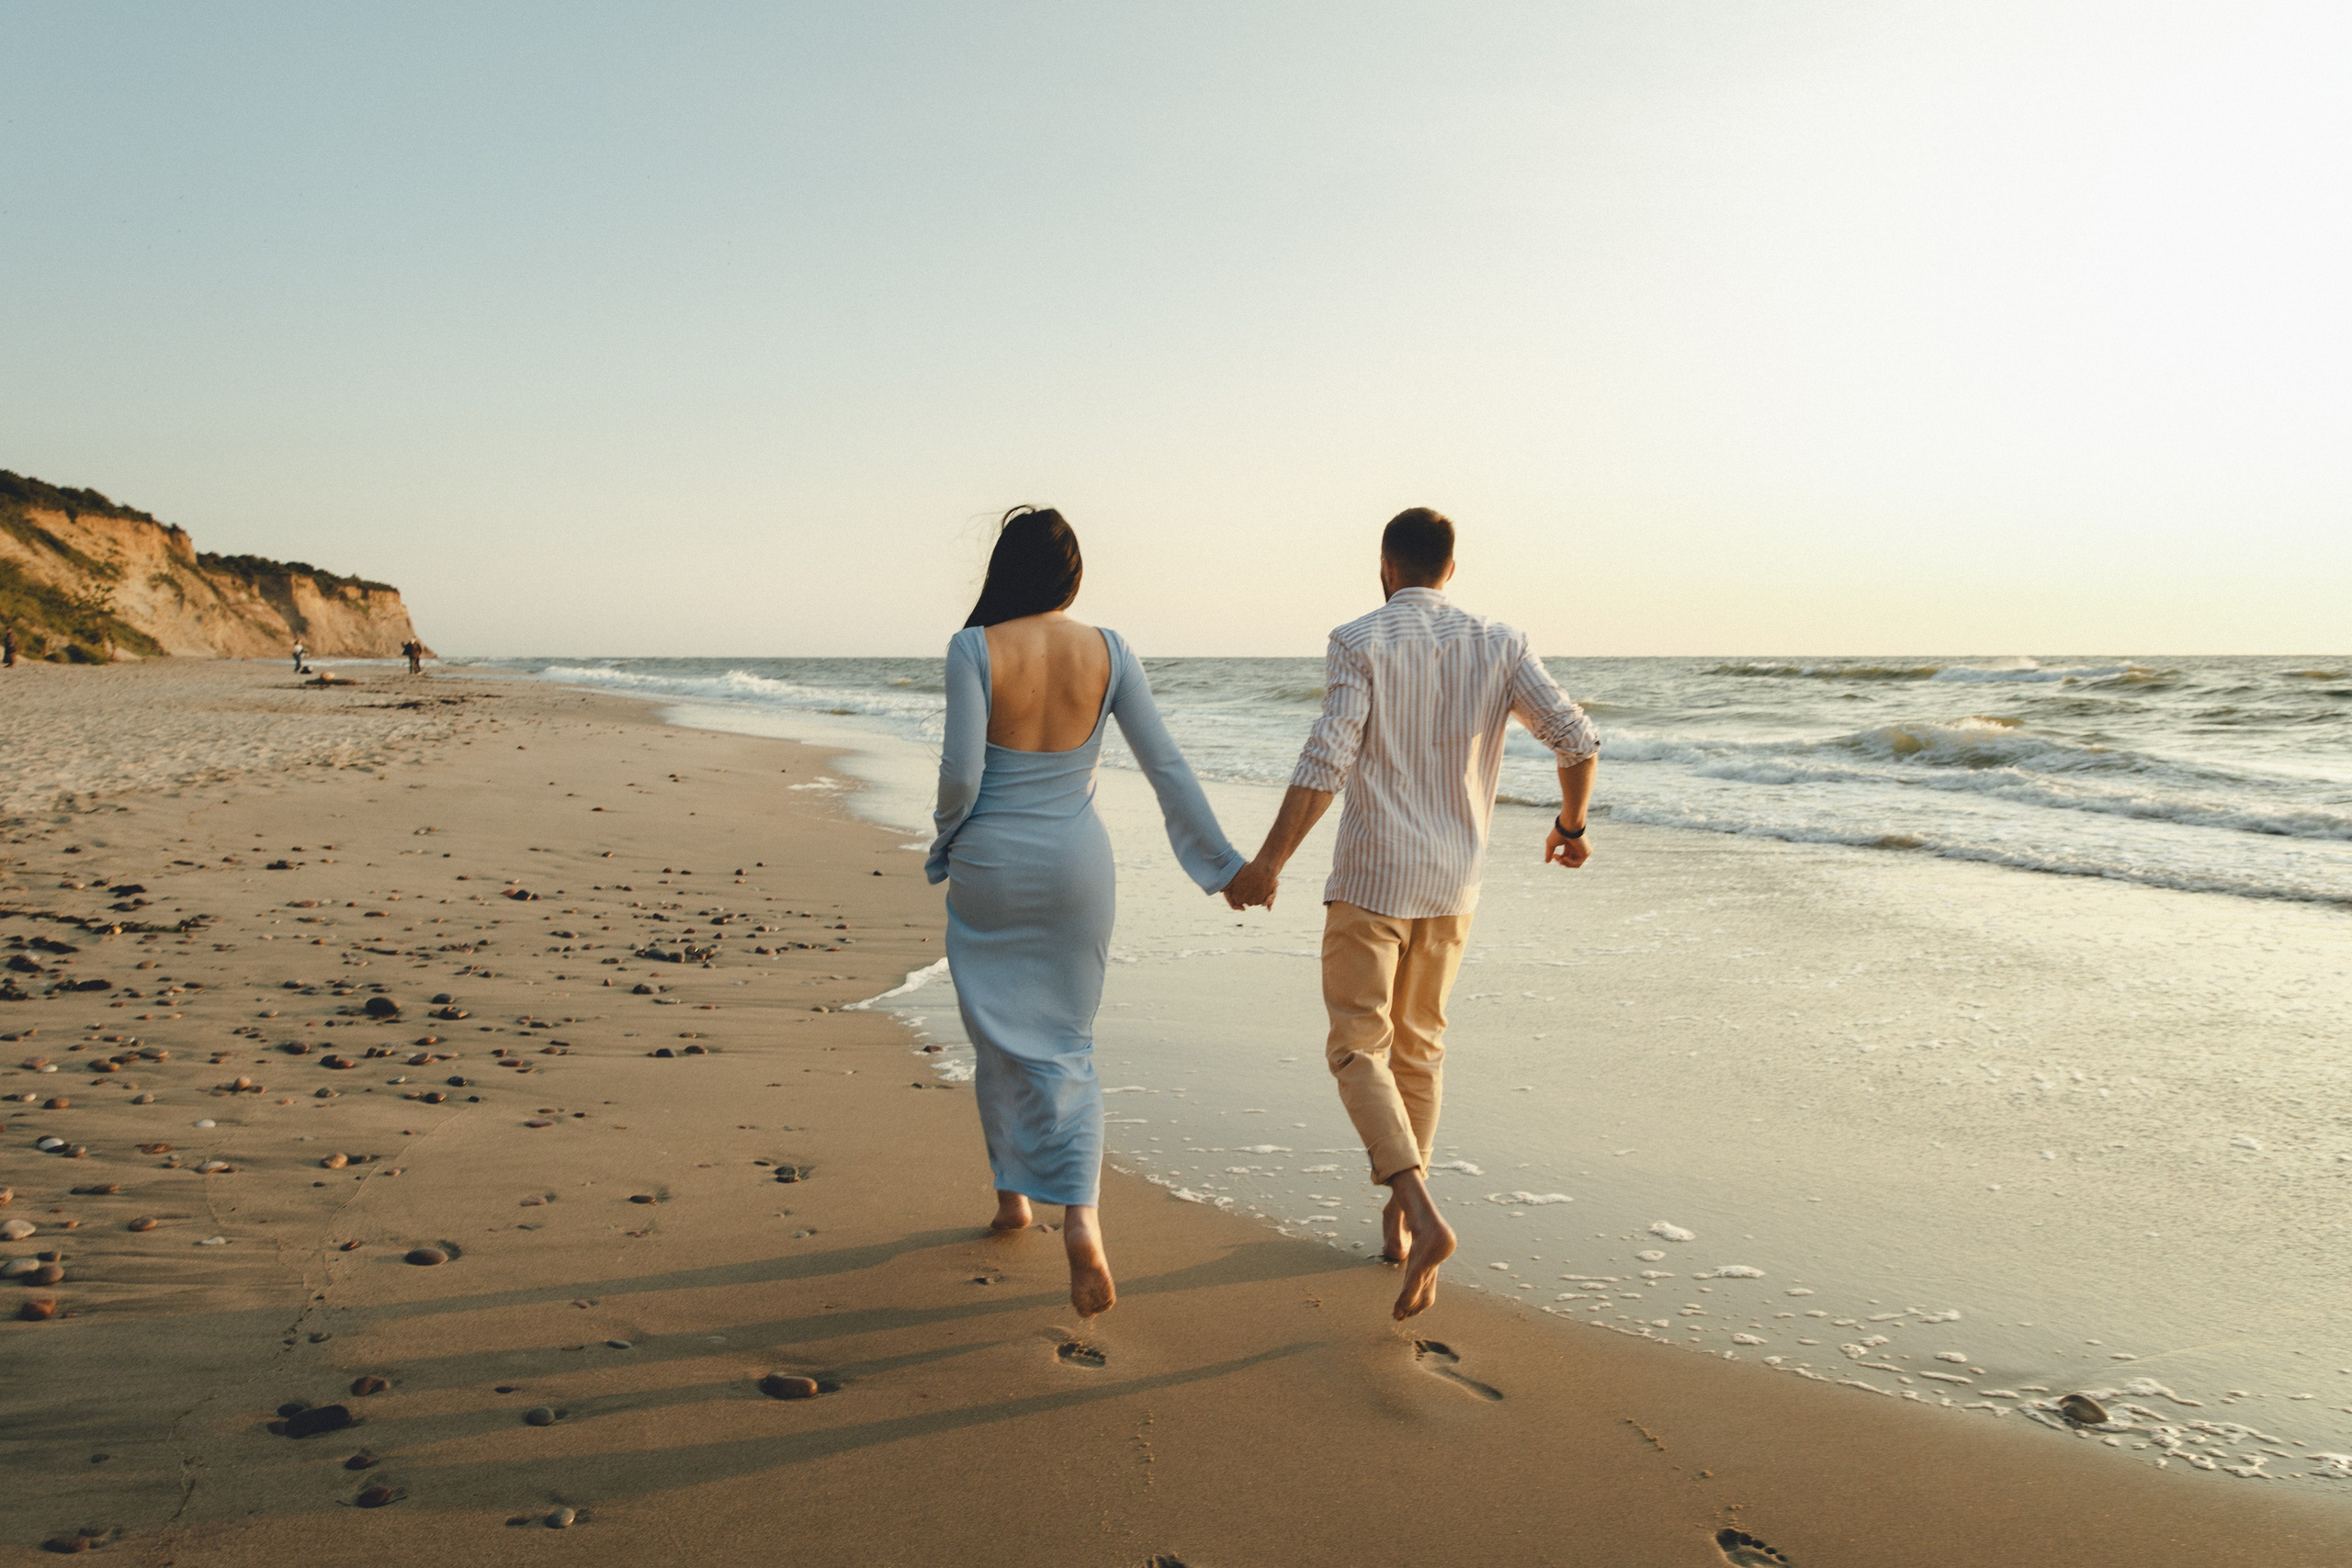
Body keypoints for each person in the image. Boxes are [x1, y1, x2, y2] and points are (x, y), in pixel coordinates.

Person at [1223, 508, 1599, 1321]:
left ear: (1386, 567)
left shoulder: (1360, 639)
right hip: (1453, 882)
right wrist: (1571, 827)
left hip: (1373, 876)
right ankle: (1398, 1227)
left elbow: (1330, 753)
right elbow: (1575, 737)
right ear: (1451, 569)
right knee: (1420, 1048)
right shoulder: (1502, 641)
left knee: (1359, 1046)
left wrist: (1270, 862)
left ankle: (1422, 1215)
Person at [930, 507, 1246, 1317]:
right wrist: (1223, 866)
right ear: (1072, 577)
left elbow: (961, 774)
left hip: (991, 861)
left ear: (1004, 570)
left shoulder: (974, 647)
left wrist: (944, 842)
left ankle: (1012, 1199)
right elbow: (1165, 765)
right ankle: (1081, 1220)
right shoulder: (1111, 650)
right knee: (1068, 1043)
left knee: (996, 1030)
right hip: (1078, 865)